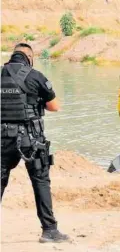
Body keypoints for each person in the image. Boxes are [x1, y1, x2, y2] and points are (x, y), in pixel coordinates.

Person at [1, 43, 69, 243]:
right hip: (31, 140)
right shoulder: (35, 75)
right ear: (29, 57)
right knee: (40, 181)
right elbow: (55, 106)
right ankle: (49, 231)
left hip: (2, 139)